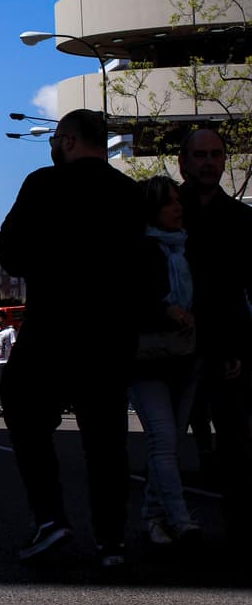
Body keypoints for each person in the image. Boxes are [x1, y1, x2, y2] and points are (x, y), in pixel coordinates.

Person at [0, 109, 144, 568]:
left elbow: (8, 249)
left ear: (69, 140)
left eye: (57, 139)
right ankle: (112, 540)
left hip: (54, 325)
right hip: (110, 331)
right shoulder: (129, 194)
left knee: (22, 409)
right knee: (106, 439)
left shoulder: (43, 184)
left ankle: (50, 516)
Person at [177, 128, 252, 553]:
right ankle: (168, 524)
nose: (209, 162)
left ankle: (240, 533)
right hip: (175, 345)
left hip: (227, 349)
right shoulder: (165, 212)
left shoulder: (242, 221)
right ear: (183, 161)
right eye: (200, 155)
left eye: (216, 155)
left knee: (237, 445)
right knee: (166, 441)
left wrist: (242, 349)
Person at [129, 176, 201, 548]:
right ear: (152, 211)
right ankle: (180, 517)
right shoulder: (139, 251)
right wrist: (166, 311)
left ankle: (153, 516)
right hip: (148, 358)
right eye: (169, 202)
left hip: (186, 355)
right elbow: (132, 302)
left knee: (170, 443)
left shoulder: (188, 248)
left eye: (178, 201)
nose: (178, 207)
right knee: (162, 437)